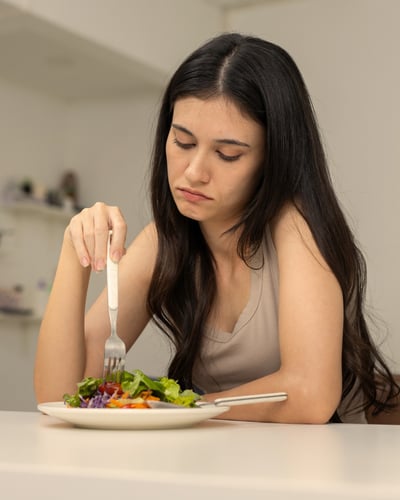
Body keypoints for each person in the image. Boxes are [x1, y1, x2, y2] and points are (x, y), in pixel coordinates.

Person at [34, 32, 399, 424]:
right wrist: (75, 253)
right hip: (225, 457)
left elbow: (309, 395)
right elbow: (61, 396)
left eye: (227, 155)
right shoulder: (164, 240)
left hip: (330, 461)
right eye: (183, 142)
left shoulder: (295, 226)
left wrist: (176, 408)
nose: (193, 173)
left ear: (272, 159)